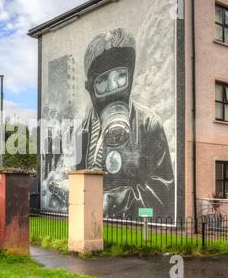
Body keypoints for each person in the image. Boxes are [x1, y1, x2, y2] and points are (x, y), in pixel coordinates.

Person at [75, 28, 175, 218]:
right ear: (90, 87)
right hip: (89, 221)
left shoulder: (148, 124)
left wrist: (112, 202)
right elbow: (78, 177)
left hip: (128, 226)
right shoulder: (82, 132)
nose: (113, 89)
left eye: (120, 76)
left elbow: (163, 190)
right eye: (102, 80)